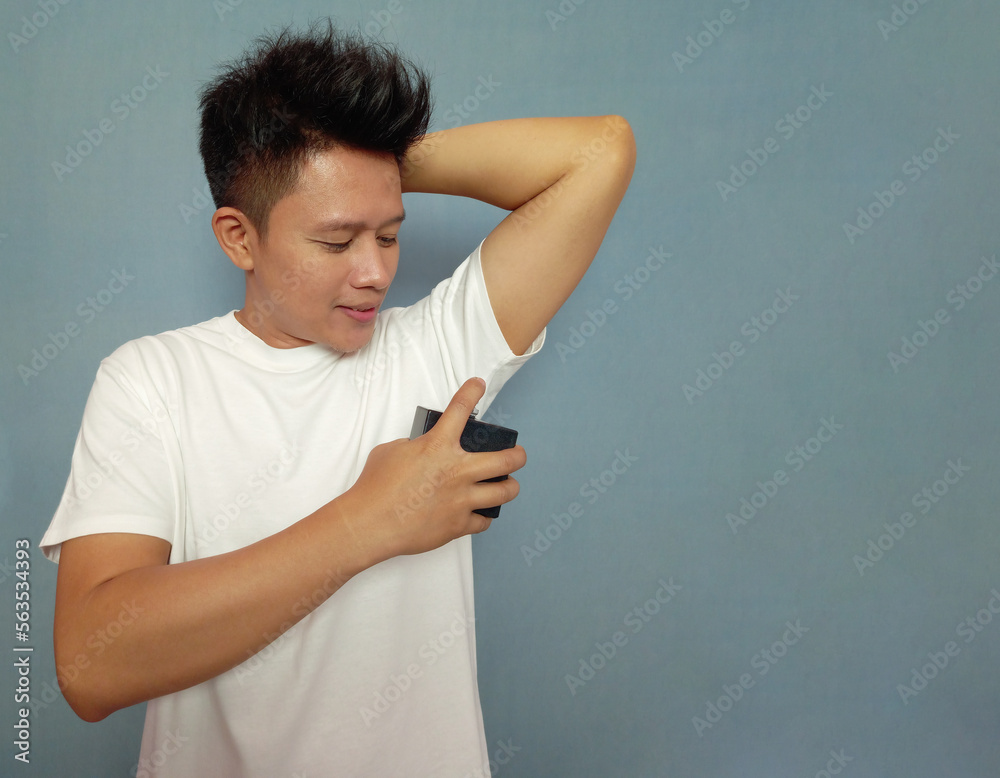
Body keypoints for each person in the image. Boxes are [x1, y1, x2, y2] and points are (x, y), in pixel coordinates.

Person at [41, 21, 635, 777]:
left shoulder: (436, 349)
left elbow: (600, 152)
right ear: (239, 236)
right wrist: (371, 520)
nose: (375, 273)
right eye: (335, 240)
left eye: (388, 235)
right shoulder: (151, 380)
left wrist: (366, 162)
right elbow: (92, 667)